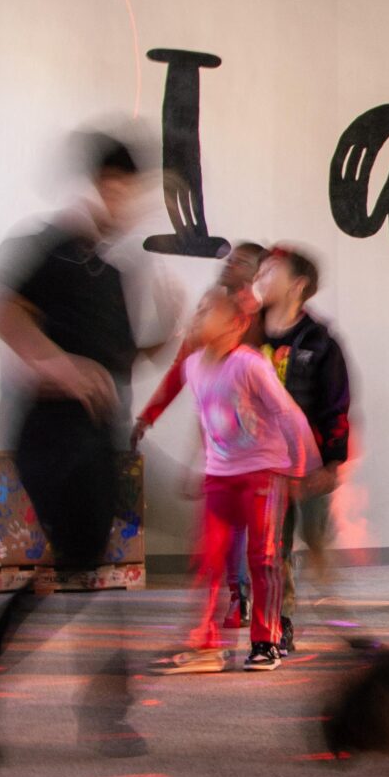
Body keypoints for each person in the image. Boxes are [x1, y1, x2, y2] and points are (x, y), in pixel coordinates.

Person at [0, 133, 154, 758]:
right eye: (119, 187)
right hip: (51, 432)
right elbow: (0, 314)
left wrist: (168, 342)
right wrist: (56, 365)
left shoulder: (115, 271)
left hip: (99, 436)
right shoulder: (48, 248)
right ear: (96, 186)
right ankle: (97, 704)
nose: (126, 201)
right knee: (83, 559)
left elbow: (115, 360)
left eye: (133, 192)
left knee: (84, 562)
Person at [153, 285, 318, 673]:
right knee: (209, 557)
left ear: (235, 324)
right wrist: (202, 464)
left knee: (262, 559)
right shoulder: (194, 365)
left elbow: (288, 414)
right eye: (198, 308)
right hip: (221, 474)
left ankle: (266, 641)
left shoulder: (249, 365)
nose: (197, 316)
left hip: (262, 470)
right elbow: (208, 419)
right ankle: (207, 644)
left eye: (207, 311)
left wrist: (300, 466)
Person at [134, 242, 267, 628]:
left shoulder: (260, 318)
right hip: (220, 438)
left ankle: (266, 612)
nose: (231, 263)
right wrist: (149, 416)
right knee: (221, 524)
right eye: (231, 257)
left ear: (256, 274)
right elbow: (182, 368)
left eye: (242, 260)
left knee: (257, 529)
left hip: (257, 441)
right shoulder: (212, 307)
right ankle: (233, 595)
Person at [254, 245, 354, 615]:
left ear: (297, 285)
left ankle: (325, 588)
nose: (259, 279)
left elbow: (336, 404)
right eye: (259, 272)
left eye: (270, 272)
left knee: (313, 536)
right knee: (272, 545)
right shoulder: (247, 331)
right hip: (262, 460)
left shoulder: (320, 341)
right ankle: (281, 618)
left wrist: (331, 463)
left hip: (307, 460)